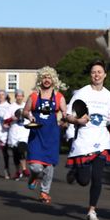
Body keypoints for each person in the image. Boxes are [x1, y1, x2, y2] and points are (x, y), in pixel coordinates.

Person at [64, 60, 110, 220]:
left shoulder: (109, 96)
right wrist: (77, 121)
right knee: (84, 181)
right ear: (91, 75)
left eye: (99, 72)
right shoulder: (81, 93)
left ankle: (92, 211)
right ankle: (75, 170)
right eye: (94, 72)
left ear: (105, 75)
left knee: (97, 177)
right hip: (84, 141)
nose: (97, 75)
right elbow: (68, 115)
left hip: (102, 141)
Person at [24, 67, 68, 204]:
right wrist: (30, 116)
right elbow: (25, 111)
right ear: (40, 79)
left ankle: (44, 192)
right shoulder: (34, 96)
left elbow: (65, 114)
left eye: (49, 77)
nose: (46, 80)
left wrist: (63, 121)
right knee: (35, 167)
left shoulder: (59, 97)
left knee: (49, 166)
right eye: (44, 77)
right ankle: (33, 176)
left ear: (53, 79)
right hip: (36, 135)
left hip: (52, 135)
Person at [8, 89, 31, 180]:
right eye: (18, 96)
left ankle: (25, 169)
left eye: (21, 96)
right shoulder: (11, 107)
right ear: (15, 97)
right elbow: (5, 120)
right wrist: (11, 118)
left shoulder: (27, 106)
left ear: (23, 97)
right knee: (15, 154)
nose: (19, 97)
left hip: (24, 132)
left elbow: (31, 117)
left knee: (21, 149)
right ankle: (18, 171)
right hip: (14, 133)